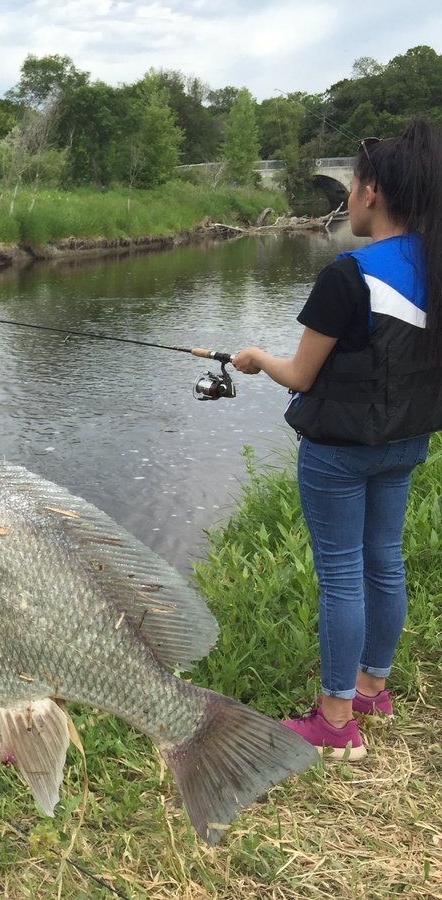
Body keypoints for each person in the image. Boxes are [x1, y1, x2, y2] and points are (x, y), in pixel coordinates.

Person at [232, 117, 442, 760]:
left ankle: (334, 719)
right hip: (407, 442)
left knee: (343, 576)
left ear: (371, 192)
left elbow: (300, 374)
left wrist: (257, 359)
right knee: (385, 559)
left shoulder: (348, 275)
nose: (348, 198)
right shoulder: (433, 264)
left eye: (352, 187)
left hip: (338, 454)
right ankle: (373, 687)